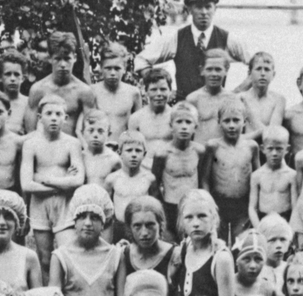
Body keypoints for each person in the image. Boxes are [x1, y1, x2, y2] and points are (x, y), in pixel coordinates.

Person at [135, 0, 252, 101]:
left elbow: (256, 64)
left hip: (216, 108)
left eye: (208, 7)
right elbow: (141, 60)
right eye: (199, 7)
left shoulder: (227, 38)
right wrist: (162, 88)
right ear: (190, 10)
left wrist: (235, 93)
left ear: (215, 9)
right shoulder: (177, 37)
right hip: (185, 109)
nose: (204, 12)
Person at [21, 93, 86, 270]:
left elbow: (78, 180)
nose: (54, 118)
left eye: (58, 114)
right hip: (40, 205)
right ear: (40, 118)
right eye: (49, 113)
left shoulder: (72, 143)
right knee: (44, 258)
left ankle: (68, 288)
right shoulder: (31, 144)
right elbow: (26, 184)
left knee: (68, 255)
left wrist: (44, 179)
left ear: (65, 118)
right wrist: (63, 183)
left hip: (65, 204)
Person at [167, 190, 235, 296]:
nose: (196, 223)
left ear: (213, 219)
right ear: (181, 222)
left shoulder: (220, 258)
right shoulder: (184, 249)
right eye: (189, 217)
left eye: (202, 216)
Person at [50, 185, 121, 296]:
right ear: (74, 222)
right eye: (82, 217)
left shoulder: (115, 255)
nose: (88, 223)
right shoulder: (61, 256)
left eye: (94, 218)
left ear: (103, 223)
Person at [200, 95, 259, 241]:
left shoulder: (251, 147)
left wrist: (254, 206)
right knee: (217, 243)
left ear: (244, 121)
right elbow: (204, 179)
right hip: (219, 203)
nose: (232, 125)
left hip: (243, 205)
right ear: (219, 122)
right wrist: (208, 205)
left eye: (236, 120)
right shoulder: (213, 146)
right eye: (227, 121)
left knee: (240, 243)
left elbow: (258, 178)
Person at [25, 31, 96, 136]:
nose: (63, 64)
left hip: (74, 145)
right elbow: (30, 132)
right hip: (43, 145)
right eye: (57, 59)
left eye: (67, 59)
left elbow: (91, 130)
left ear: (75, 58)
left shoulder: (84, 91)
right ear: (50, 59)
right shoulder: (38, 90)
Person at [152, 102, 205, 239]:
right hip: (170, 207)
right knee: (172, 244)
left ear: (195, 127)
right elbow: (154, 186)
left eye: (188, 122)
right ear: (171, 126)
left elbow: (203, 180)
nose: (184, 126)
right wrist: (162, 212)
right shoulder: (162, 153)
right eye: (179, 122)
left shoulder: (199, 151)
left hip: (193, 206)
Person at [105, 131, 156, 241]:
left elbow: (155, 207)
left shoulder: (149, 179)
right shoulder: (112, 179)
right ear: (119, 153)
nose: (134, 154)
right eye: (129, 150)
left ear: (144, 154)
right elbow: (107, 209)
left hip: (142, 228)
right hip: (119, 228)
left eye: (138, 150)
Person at [186, 51, 238, 145]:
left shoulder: (232, 99)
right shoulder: (193, 99)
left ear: (226, 70)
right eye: (209, 69)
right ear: (202, 70)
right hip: (201, 151)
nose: (214, 74)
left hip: (223, 151)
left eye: (218, 69)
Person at [249, 125, 296, 227]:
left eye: (279, 149)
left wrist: (290, 230)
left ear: (287, 149)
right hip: (263, 221)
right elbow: (252, 208)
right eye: (270, 148)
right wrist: (259, 229)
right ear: (263, 149)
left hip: (285, 221)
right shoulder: (257, 176)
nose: (274, 153)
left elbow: (295, 208)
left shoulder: (292, 175)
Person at [92, 42, 141, 139]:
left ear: (124, 69)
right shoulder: (92, 92)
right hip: (99, 145)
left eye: (117, 68)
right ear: (101, 68)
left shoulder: (133, 93)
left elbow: (138, 128)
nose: (113, 73)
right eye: (108, 68)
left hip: (124, 146)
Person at [128, 67, 175, 164]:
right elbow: (131, 149)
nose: (159, 94)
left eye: (163, 89)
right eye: (153, 89)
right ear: (146, 91)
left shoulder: (176, 116)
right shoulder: (136, 118)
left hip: (170, 167)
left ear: (170, 90)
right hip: (144, 168)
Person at [240, 52, 285, 136]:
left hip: (267, 144)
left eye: (267, 69)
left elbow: (272, 134)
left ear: (273, 74)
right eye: (258, 69)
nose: (263, 73)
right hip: (245, 144)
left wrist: (248, 112)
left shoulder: (278, 100)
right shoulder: (240, 98)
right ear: (249, 73)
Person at [0, 50, 30, 134]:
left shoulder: (28, 104)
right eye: (8, 74)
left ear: (23, 78)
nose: (12, 79)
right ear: (0, 77)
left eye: (16, 74)